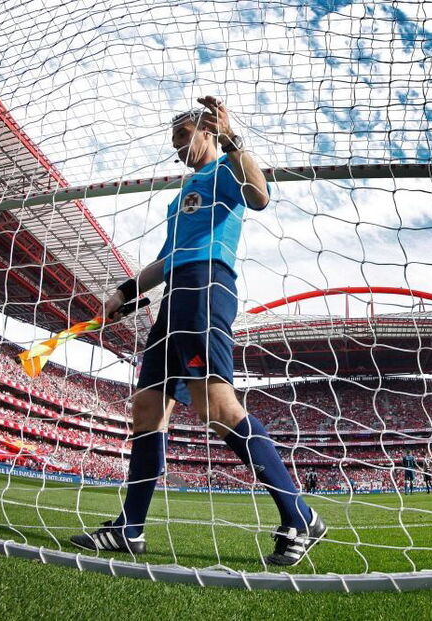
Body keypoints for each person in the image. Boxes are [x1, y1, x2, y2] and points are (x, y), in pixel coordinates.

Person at [71, 96, 325, 566]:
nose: (177, 149)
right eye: (173, 143)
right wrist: (123, 293)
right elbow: (168, 260)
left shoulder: (226, 170)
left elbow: (261, 197)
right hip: (176, 297)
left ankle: (299, 514)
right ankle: (130, 528)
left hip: (208, 287)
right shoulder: (179, 198)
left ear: (206, 132)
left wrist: (233, 140)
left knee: (217, 406)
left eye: (183, 137)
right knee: (147, 408)